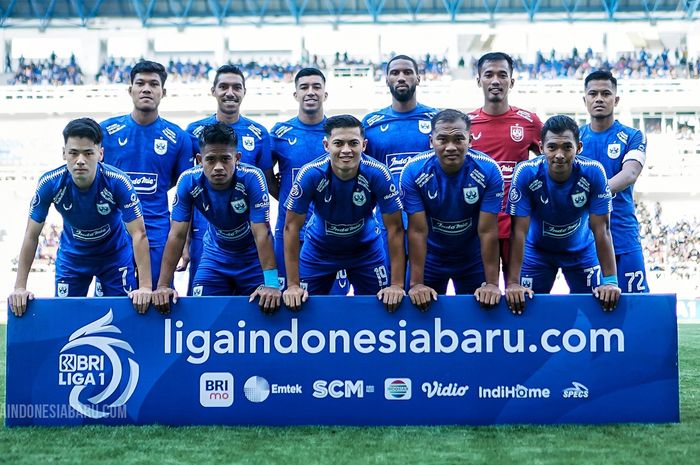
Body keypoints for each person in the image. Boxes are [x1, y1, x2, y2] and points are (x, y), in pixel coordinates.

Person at [8, 118, 152, 316]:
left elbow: (139, 234)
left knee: (123, 318)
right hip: (72, 258)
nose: (80, 160)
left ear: (100, 154)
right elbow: (31, 235)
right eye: (74, 153)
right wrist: (19, 287)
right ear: (64, 153)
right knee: (66, 320)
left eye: (88, 153)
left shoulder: (118, 183)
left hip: (114, 257)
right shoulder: (49, 183)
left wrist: (145, 287)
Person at [152, 123, 281, 314]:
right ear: (199, 159)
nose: (218, 167)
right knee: (201, 313)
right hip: (215, 256)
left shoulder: (253, 178)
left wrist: (271, 283)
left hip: (252, 259)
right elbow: (177, 235)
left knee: (266, 311)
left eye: (225, 159)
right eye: (210, 159)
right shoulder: (188, 181)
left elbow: (262, 233)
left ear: (237, 158)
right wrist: (163, 285)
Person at [282, 115, 405, 312]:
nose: (346, 150)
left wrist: (397, 285)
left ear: (364, 145)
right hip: (318, 251)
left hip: (366, 251)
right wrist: (293, 285)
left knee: (383, 309)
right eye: (338, 143)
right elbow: (290, 228)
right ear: (326, 145)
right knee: (301, 308)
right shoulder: (310, 173)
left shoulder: (378, 173)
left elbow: (395, 228)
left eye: (353, 143)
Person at [505, 115, 621, 314]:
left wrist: (610, 281)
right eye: (552, 147)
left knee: (598, 312)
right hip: (537, 253)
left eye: (567, 147)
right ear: (541, 148)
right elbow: (518, 232)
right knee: (525, 313)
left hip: (582, 252)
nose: (559, 154)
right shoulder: (526, 172)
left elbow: (602, 230)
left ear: (579, 147)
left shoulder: (594, 172)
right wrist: (513, 282)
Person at [100, 60, 193, 289]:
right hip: (113, 231)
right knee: (110, 302)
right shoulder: (106, 132)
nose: (146, 89)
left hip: (157, 232)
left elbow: (185, 190)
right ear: (130, 89)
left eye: (154, 84)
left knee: (156, 299)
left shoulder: (178, 137)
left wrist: (186, 242)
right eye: (140, 83)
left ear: (163, 92)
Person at [183, 64, 275, 294]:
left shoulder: (259, 132)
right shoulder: (194, 131)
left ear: (244, 91)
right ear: (213, 91)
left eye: (236, 87)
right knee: (204, 302)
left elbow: (266, 184)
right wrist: (185, 243)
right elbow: (186, 191)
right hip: (205, 233)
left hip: (249, 236)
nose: (230, 92)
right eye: (223, 86)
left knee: (260, 303)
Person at [400, 109, 503, 311]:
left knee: (480, 320)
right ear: (431, 142)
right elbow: (417, 231)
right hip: (430, 258)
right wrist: (417, 284)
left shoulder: (488, 170)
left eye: (458, 139)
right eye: (442, 140)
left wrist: (492, 284)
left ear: (470, 140)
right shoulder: (413, 171)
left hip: (472, 259)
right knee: (420, 320)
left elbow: (488, 231)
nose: (450, 147)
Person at [468, 52, 543, 281]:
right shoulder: (466, 124)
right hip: (478, 224)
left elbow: (550, 161)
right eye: (489, 75)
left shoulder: (529, 121)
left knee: (517, 295)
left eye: (502, 75)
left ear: (512, 81)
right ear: (479, 80)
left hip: (517, 224)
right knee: (483, 295)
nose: (495, 81)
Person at [362, 55, 438, 266]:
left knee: (423, 289)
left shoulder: (436, 120)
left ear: (418, 78)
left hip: (430, 221)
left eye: (407, 72)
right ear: (386, 79)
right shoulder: (371, 124)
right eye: (395, 73)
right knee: (390, 290)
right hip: (387, 222)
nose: (401, 77)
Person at [579, 70, 649, 293]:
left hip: (623, 234)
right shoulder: (574, 139)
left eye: (606, 93)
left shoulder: (633, 136)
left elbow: (629, 174)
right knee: (586, 310)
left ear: (615, 99)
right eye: (593, 93)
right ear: (585, 100)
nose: (599, 98)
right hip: (583, 239)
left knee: (636, 307)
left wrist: (595, 194)